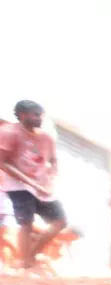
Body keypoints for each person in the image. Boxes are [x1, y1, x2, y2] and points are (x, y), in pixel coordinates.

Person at [0, 100, 67, 271]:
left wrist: (51, 181)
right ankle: (25, 264)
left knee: (60, 221)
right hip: (18, 185)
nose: (40, 118)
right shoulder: (8, 133)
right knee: (26, 223)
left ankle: (29, 257)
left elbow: (53, 161)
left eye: (41, 115)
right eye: (35, 114)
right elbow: (3, 162)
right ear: (22, 115)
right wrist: (29, 182)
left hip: (42, 186)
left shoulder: (47, 137)